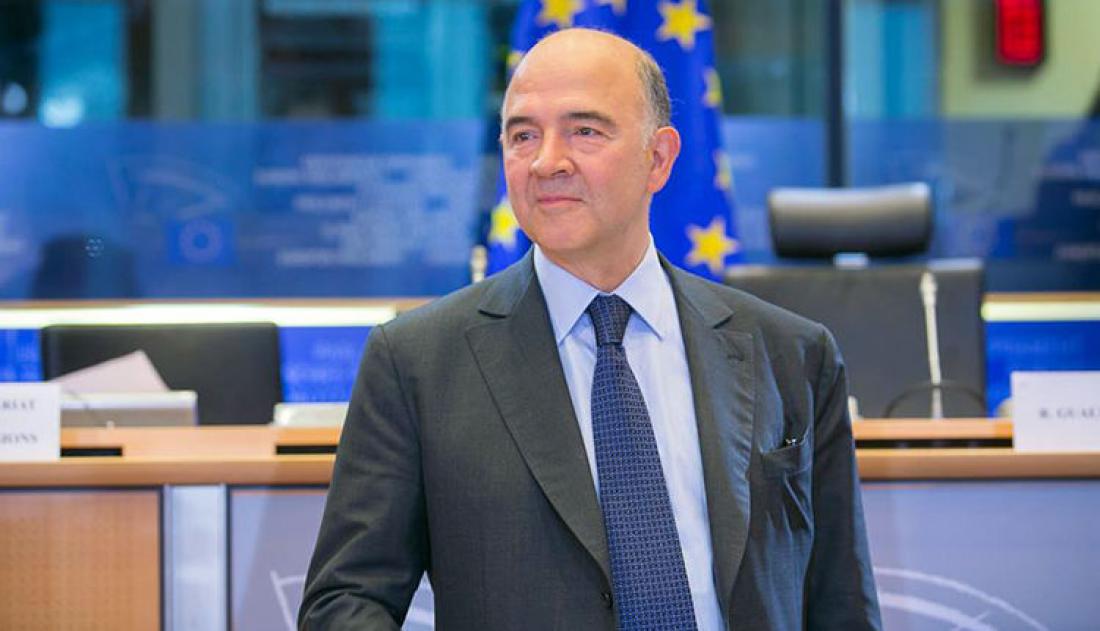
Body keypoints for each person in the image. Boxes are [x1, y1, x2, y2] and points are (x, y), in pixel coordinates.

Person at [299, 28, 881, 630]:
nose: (547, 161)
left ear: (658, 159)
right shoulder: (417, 361)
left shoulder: (790, 353)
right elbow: (345, 602)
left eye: (585, 131)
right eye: (523, 135)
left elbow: (840, 603)